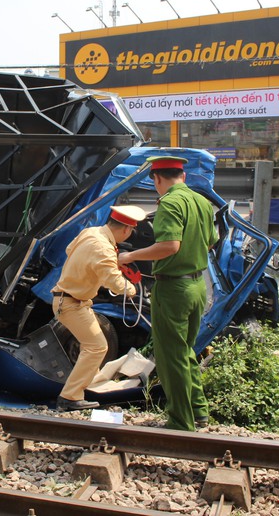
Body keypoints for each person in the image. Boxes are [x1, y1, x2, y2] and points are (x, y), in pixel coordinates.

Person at [118, 156, 218, 431]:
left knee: (170, 356)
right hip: (197, 286)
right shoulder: (201, 202)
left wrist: (129, 256)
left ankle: (180, 422)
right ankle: (198, 412)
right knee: (185, 351)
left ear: (157, 179)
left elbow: (169, 246)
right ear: (182, 177)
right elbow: (211, 242)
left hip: (174, 288)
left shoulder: (171, 203)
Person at [51, 204, 147, 411]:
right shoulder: (103, 248)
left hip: (72, 300)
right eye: (130, 231)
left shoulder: (91, 232)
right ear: (126, 230)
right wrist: (132, 290)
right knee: (97, 347)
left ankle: (82, 385)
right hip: (72, 304)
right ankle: (69, 397)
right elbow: (114, 282)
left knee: (95, 345)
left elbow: (70, 250)